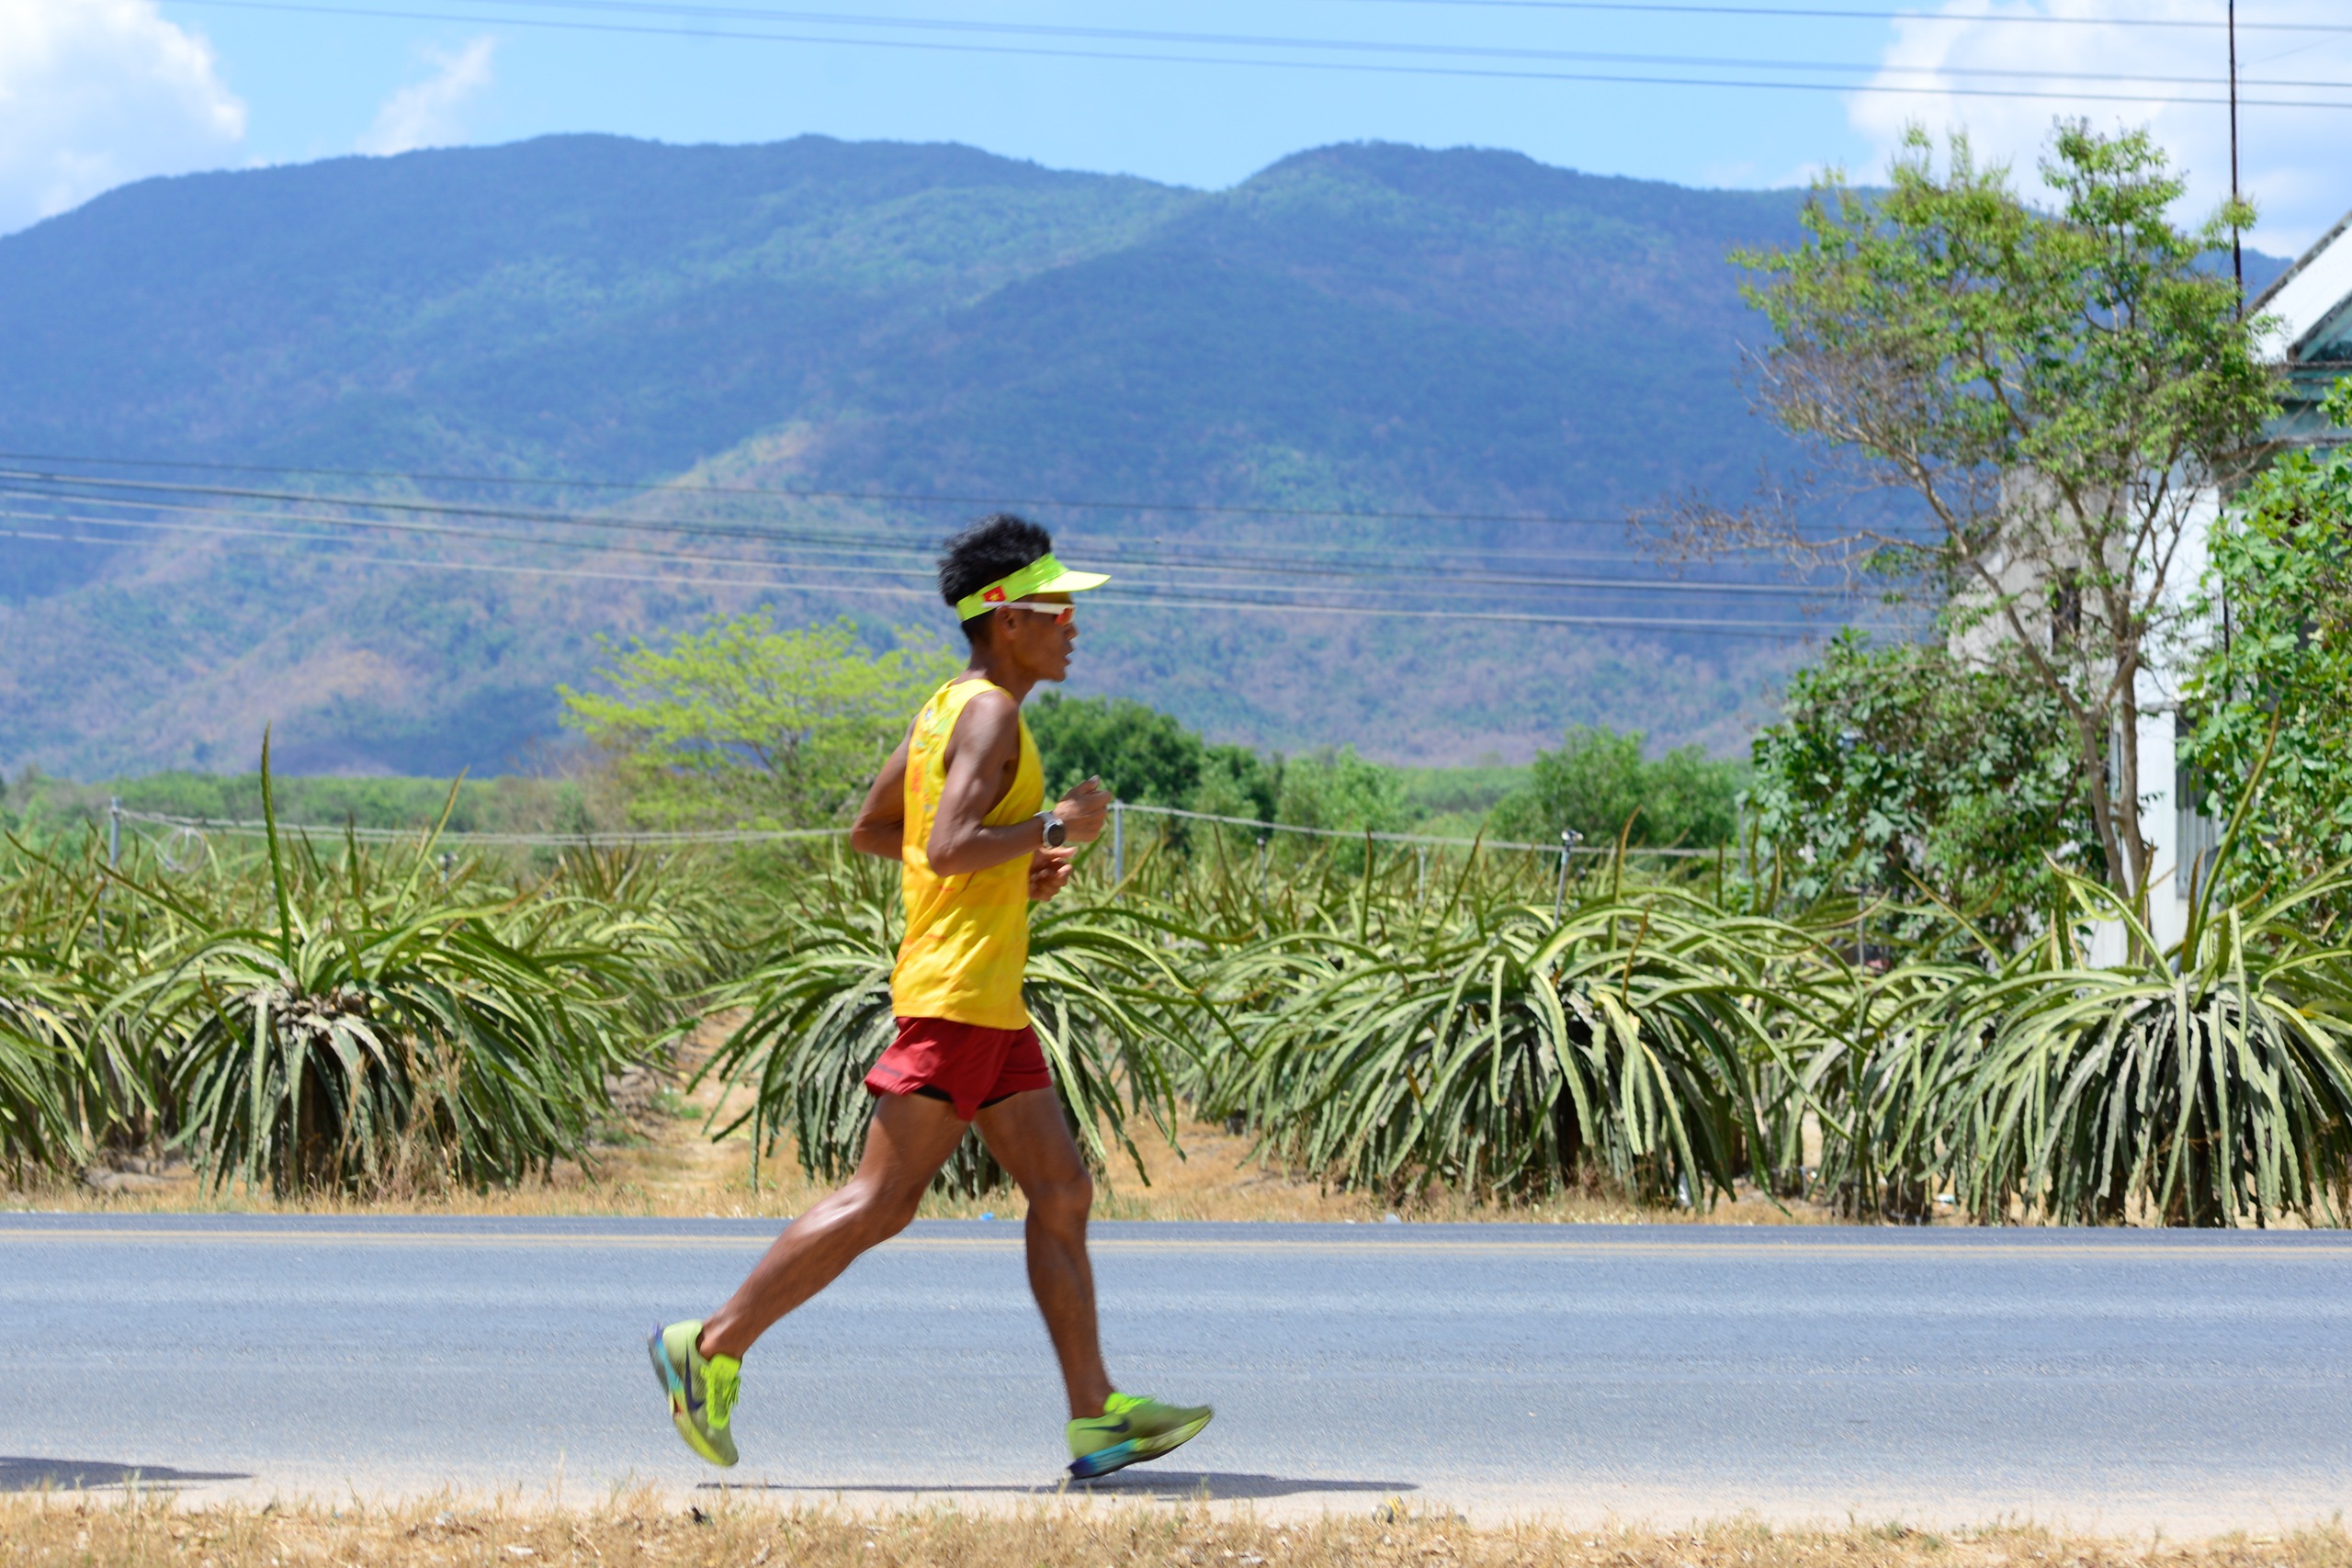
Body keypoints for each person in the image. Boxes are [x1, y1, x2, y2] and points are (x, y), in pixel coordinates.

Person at [648, 513, 1213, 1481]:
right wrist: (1050, 830)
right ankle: (708, 1348)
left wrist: (1009, 873)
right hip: (956, 996)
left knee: (1062, 1191)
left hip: (986, 999)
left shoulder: (943, 709)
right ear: (1003, 620)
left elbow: (879, 832)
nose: (1073, 624)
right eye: (1055, 608)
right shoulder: (990, 714)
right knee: (883, 1199)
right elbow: (945, 845)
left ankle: (1096, 1419)